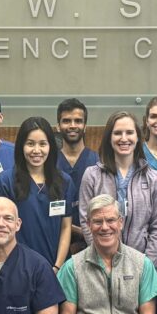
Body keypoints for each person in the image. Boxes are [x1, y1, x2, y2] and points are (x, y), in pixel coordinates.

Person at [78, 111, 157, 266]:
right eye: (117, 133)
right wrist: (101, 257)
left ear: (138, 137)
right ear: (109, 138)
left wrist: (147, 263)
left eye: (129, 133)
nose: (124, 138)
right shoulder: (91, 176)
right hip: (99, 263)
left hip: (141, 264)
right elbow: (86, 220)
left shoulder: (154, 178)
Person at [0, 116, 74, 272]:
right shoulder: (5, 182)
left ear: (51, 146)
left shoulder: (64, 182)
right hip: (17, 269)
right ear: (21, 146)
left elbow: (65, 226)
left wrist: (57, 267)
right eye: (30, 144)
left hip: (56, 268)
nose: (36, 150)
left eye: (43, 144)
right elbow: (0, 230)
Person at [56, 98, 99, 246]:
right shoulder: (48, 164)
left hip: (94, 241)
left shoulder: (98, 162)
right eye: (66, 121)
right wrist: (73, 229)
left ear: (85, 126)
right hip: (57, 241)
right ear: (58, 126)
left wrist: (85, 231)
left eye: (78, 121)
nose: (72, 125)